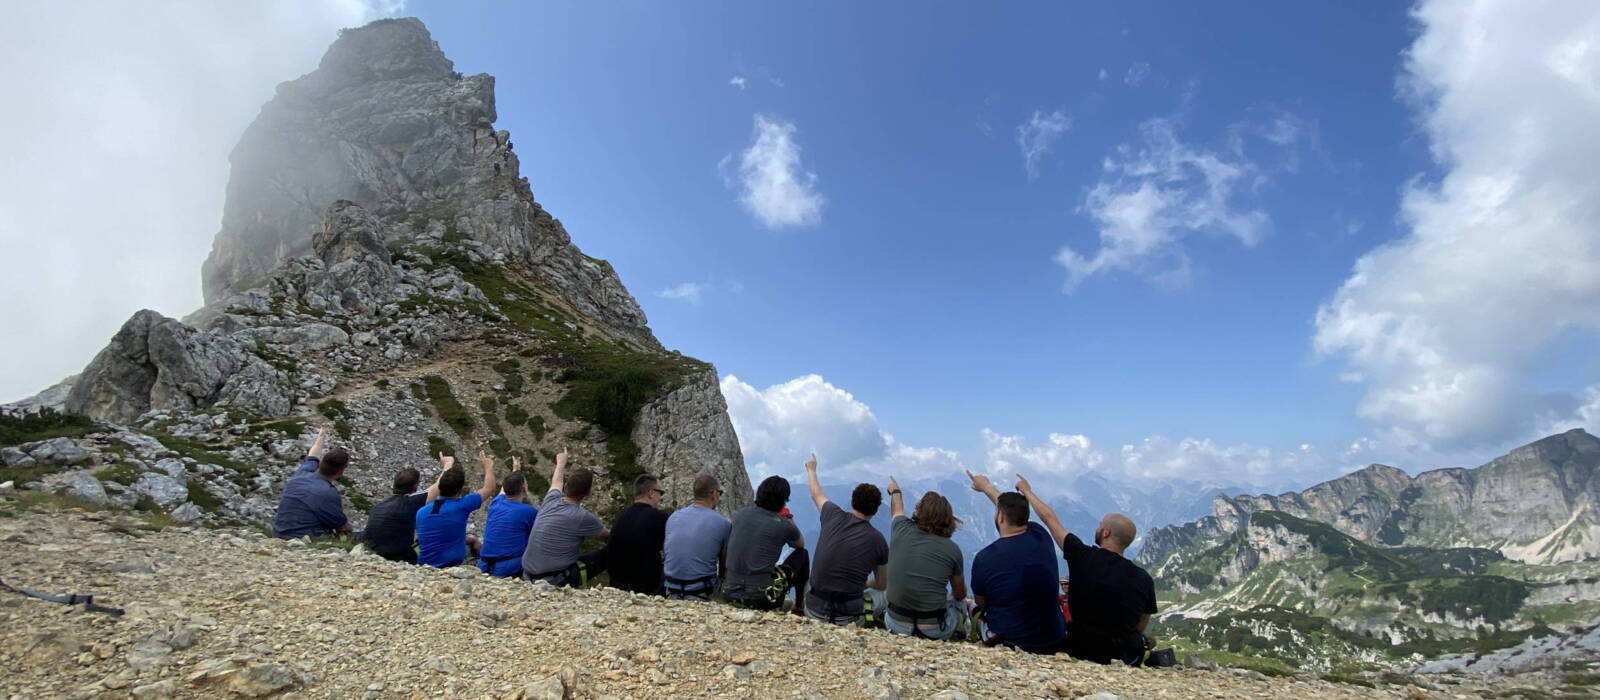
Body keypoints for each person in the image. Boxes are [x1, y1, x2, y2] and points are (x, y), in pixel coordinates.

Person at [1016, 474, 1157, 665]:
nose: (1097, 528)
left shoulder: (1082, 555)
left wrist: (1027, 491)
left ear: (1106, 533)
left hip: (1083, 647)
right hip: (1125, 654)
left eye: (1100, 526)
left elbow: (1050, 519)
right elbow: (1140, 625)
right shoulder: (1144, 578)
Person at [966, 470, 1065, 654]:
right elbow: (1012, 511)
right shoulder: (1041, 535)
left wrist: (986, 487)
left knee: (971, 605)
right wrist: (987, 488)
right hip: (1054, 638)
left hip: (1011, 640)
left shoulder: (985, 558)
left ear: (1000, 517)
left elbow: (982, 603)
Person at [803, 453, 888, 625]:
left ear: (852, 501)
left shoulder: (832, 514)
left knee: (810, 579)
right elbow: (881, 584)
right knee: (887, 593)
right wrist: (866, 583)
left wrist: (811, 469)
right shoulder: (878, 540)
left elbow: (815, 493)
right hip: (848, 618)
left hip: (813, 611)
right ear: (876, 510)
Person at [882, 477, 967, 639]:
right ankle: (962, 631)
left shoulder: (900, 529)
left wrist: (895, 490)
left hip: (895, 623)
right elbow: (959, 593)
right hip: (934, 628)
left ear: (919, 511)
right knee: (960, 603)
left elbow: (897, 509)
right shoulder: (952, 549)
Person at [520, 448, 609, 586]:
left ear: (566, 486)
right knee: (610, 552)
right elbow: (608, 537)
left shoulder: (550, 500)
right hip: (553, 579)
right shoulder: (583, 517)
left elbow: (556, 482)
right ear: (588, 492)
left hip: (527, 575)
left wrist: (561, 462)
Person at [722, 476, 808, 613]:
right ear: (784, 500)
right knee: (803, 555)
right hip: (762, 597)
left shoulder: (739, 515)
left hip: (729, 592)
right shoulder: (784, 524)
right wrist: (789, 519)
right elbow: (800, 544)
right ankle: (798, 607)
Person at [415, 451, 497, 568]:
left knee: (470, 540)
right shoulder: (462, 505)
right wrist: (488, 466)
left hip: (424, 562)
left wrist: (447, 464)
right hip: (450, 563)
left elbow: (439, 533)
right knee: (477, 548)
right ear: (460, 490)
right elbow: (489, 488)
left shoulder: (422, 511)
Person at [272, 427, 353, 539]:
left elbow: (312, 456)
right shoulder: (328, 493)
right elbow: (342, 526)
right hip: (303, 539)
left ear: (321, 464)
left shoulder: (300, 475)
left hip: (278, 534)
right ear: (340, 471)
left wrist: (320, 437)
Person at [662, 475, 732, 600]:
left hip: (671, 588)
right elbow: (724, 565)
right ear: (713, 494)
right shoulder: (723, 523)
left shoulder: (674, 517)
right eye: (720, 493)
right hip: (700, 590)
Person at [604, 474, 669, 594]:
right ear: (651, 493)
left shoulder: (620, 516)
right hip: (646, 588)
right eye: (661, 493)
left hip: (617, 584)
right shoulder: (660, 518)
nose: (660, 497)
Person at [362, 466, 438, 563]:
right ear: (415, 486)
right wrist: (448, 464)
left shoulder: (379, 505)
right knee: (423, 544)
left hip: (373, 552)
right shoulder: (409, 502)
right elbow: (437, 488)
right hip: (397, 556)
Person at [477, 456, 538, 577]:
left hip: (483, 565)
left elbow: (503, 490)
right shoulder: (529, 511)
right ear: (524, 489)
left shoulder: (496, 503)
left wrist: (516, 469)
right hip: (509, 567)